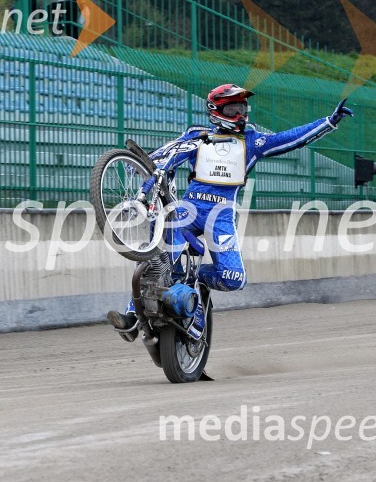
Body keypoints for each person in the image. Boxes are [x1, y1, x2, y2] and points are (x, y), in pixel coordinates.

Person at [107, 84, 354, 341]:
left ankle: (199, 280)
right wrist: (147, 163)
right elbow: (170, 153)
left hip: (222, 216)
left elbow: (290, 139)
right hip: (188, 209)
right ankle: (133, 316)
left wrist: (328, 122)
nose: (241, 114)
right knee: (162, 260)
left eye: (243, 108)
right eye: (233, 108)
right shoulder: (196, 135)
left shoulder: (253, 140)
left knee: (233, 278)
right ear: (216, 111)